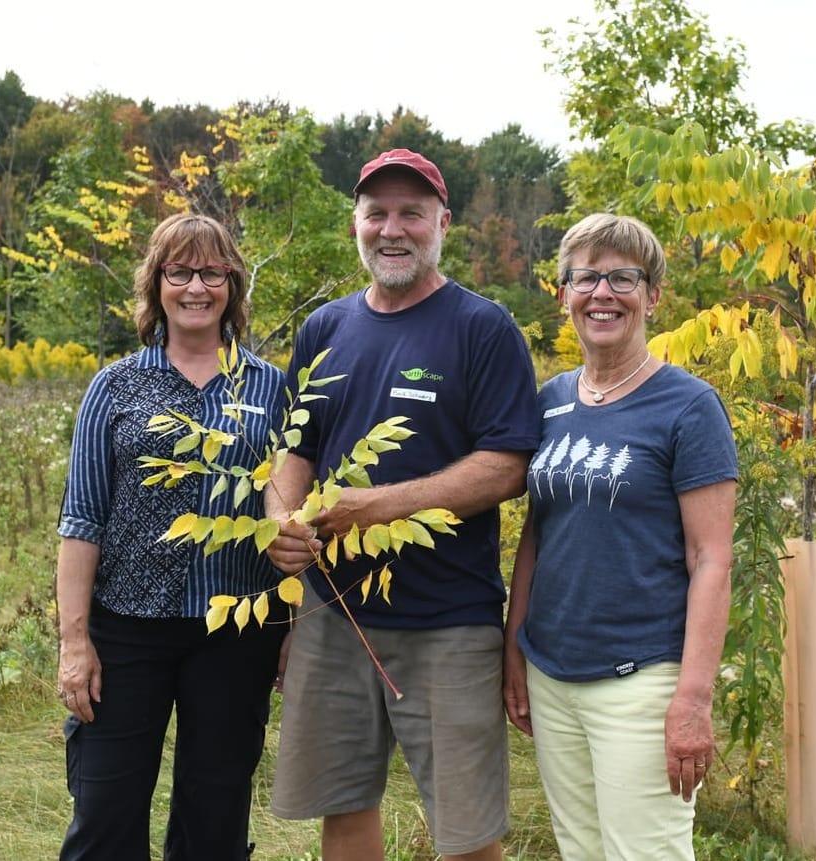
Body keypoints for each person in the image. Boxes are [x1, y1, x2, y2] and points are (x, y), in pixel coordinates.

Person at [264, 148, 541, 861]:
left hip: (447, 621)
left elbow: (507, 464)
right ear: (355, 223)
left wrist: (379, 507)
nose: (392, 228)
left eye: (410, 213)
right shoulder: (324, 329)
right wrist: (280, 524)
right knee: (344, 803)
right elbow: (294, 449)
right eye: (376, 212)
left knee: (466, 828)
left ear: (442, 222)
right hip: (335, 618)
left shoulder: (482, 328)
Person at [502, 213, 738, 860]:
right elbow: (536, 534)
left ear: (652, 295)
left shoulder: (687, 406)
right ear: (563, 294)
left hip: (640, 677)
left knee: (646, 852)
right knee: (581, 849)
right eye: (585, 277)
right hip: (552, 671)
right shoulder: (549, 399)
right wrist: (513, 647)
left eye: (622, 277)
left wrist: (692, 698)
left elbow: (711, 557)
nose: (601, 292)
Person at [54, 212, 288, 860]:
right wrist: (75, 642)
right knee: (104, 813)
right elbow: (81, 521)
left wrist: (295, 625)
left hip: (236, 630)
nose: (196, 286)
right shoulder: (115, 386)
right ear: (155, 283)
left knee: (213, 819)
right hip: (125, 627)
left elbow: (289, 513)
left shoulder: (269, 388)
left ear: (232, 284)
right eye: (179, 271)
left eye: (211, 271)